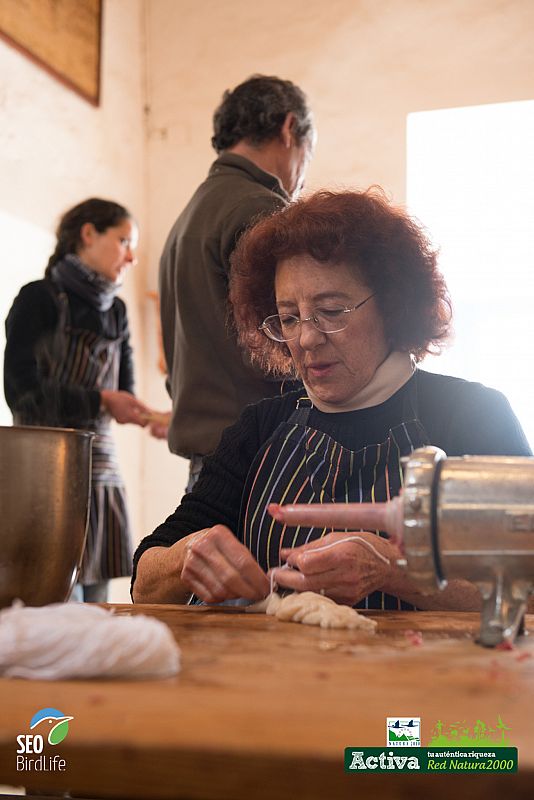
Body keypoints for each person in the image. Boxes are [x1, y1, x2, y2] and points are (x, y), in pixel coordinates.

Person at [132, 189, 531, 610]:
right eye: (289, 317)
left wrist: (394, 571)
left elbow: (527, 586)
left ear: (393, 306)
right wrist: (185, 559)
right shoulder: (260, 428)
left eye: (333, 311)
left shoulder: (472, 416)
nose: (306, 338)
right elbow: (144, 583)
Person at [159, 74, 315, 490]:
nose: (301, 177)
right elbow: (290, 346)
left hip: (211, 462)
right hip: (261, 456)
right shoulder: (260, 208)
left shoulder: (191, 215)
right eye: (308, 153)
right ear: (288, 128)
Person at [4, 198, 150, 603]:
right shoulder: (39, 299)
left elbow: (124, 394)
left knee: (97, 604)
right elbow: (20, 390)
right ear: (88, 234)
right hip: (41, 472)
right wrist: (100, 400)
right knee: (49, 601)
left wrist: (150, 416)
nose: (132, 257)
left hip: (100, 472)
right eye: (124, 241)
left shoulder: (116, 311)